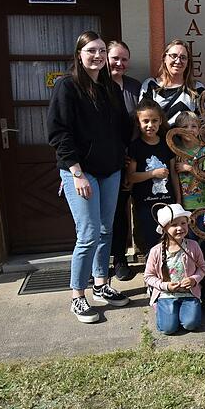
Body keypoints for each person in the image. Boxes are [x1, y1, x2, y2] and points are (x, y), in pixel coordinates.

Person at [47, 31, 132, 322]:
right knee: (88, 234)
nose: (96, 56)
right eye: (91, 51)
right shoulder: (67, 87)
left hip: (110, 170)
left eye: (100, 52)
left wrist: (122, 156)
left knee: (106, 230)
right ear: (79, 54)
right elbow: (59, 133)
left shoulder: (109, 88)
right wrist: (76, 172)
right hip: (80, 172)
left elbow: (122, 126)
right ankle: (78, 296)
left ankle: (101, 284)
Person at [107, 40, 142, 281]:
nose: (120, 63)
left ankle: (120, 259)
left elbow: (141, 122)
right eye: (115, 58)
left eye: (124, 59)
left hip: (130, 159)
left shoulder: (134, 87)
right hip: (103, 160)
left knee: (121, 212)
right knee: (100, 216)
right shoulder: (96, 85)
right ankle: (97, 264)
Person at [144, 204, 205, 335]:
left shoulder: (193, 246)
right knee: (168, 328)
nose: (180, 228)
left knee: (191, 324)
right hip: (166, 294)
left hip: (189, 293)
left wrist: (194, 280)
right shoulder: (156, 251)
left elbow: (202, 267)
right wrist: (164, 286)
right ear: (164, 228)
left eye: (183, 223)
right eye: (174, 225)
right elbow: (148, 276)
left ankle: (186, 310)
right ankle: (160, 307)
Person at [127, 100, 179, 253]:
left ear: (161, 121)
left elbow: (174, 173)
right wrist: (152, 174)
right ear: (138, 123)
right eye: (146, 121)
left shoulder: (167, 145)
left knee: (171, 238)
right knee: (151, 239)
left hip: (167, 201)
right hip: (145, 205)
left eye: (154, 120)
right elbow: (131, 177)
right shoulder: (135, 147)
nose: (150, 125)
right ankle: (154, 271)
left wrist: (178, 199)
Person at [139, 39, 205, 125]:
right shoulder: (150, 85)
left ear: (188, 62)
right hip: (159, 138)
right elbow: (143, 118)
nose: (178, 61)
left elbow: (204, 124)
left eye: (183, 57)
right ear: (164, 58)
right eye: (173, 56)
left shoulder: (197, 88)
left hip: (187, 138)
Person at [173, 111, 205, 212]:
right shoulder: (176, 151)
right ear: (178, 130)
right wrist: (178, 200)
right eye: (185, 127)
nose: (189, 130)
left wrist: (189, 168)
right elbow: (174, 177)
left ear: (199, 129)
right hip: (183, 204)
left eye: (194, 126)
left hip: (202, 203)